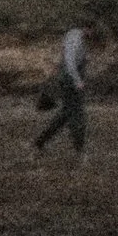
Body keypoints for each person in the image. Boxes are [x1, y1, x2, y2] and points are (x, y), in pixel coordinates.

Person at [33, 26, 89, 161]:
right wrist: (78, 81)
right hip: (70, 81)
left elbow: (66, 58)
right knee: (77, 114)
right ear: (86, 28)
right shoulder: (76, 39)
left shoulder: (73, 35)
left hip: (67, 79)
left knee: (64, 114)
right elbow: (70, 63)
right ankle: (79, 149)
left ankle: (40, 142)